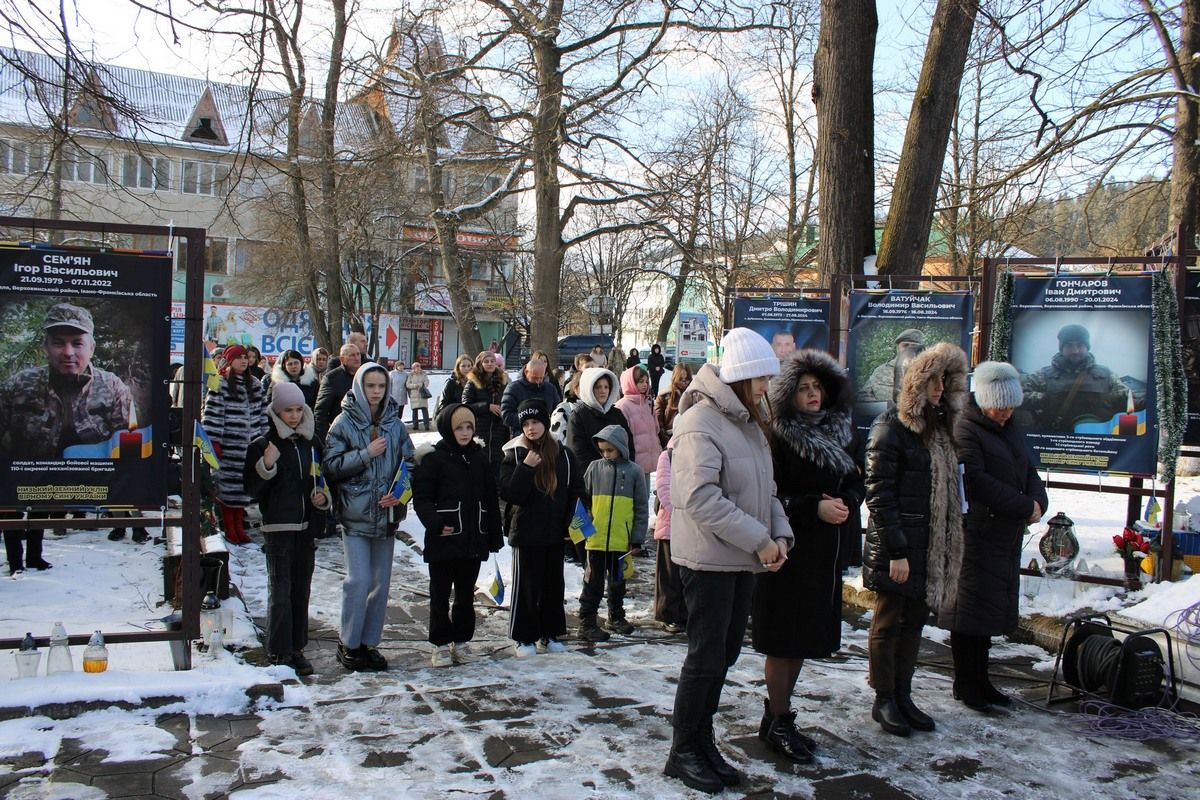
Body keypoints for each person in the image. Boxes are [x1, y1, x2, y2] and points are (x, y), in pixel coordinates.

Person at [664, 328, 792, 794]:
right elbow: (699, 497)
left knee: (725, 654)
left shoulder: (749, 423)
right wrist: (759, 539)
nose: (766, 387)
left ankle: (702, 740)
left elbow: (766, 491)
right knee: (705, 657)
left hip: (741, 559)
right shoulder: (700, 421)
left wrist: (780, 534)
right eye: (761, 378)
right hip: (708, 561)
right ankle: (683, 750)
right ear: (741, 377)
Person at [754, 349, 865, 762]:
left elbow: (857, 479)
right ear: (789, 395)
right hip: (788, 551)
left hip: (825, 554)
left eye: (817, 386)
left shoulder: (843, 431)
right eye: (803, 388)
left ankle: (777, 717)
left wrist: (847, 502)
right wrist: (812, 506)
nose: (812, 393)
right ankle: (779, 719)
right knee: (783, 640)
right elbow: (770, 495)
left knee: (803, 639)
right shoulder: (778, 436)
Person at [863, 341, 967, 737]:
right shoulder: (890, 427)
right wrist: (897, 550)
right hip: (899, 546)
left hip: (929, 545)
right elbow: (879, 493)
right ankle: (884, 698)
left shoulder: (939, 428)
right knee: (889, 622)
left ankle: (903, 694)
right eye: (931, 381)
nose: (939, 388)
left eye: (943, 380)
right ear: (911, 383)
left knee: (913, 623)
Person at [941, 361, 1047, 710]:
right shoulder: (965, 428)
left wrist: (1038, 501)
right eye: (1000, 407)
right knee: (968, 612)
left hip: (1002, 536)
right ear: (984, 400)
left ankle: (981, 680)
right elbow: (975, 480)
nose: (1005, 413)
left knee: (987, 612)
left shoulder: (1010, 428)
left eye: (1010, 407)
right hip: (975, 535)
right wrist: (1023, 505)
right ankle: (966, 683)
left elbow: (1028, 469)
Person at [323, 362, 414, 672]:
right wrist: (365, 454)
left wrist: (400, 493)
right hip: (356, 514)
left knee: (380, 583)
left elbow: (410, 463)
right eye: (370, 386)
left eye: (381, 386)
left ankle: (368, 643)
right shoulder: (343, 422)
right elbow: (331, 466)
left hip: (387, 515)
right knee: (358, 580)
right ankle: (348, 642)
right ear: (360, 387)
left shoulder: (395, 424)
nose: (376, 392)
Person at [243, 381, 330, 677]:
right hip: (278, 527)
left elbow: (321, 477)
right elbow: (252, 490)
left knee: (301, 589)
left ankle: (297, 646)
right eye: (287, 410)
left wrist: (322, 497)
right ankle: (279, 650)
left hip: (306, 527)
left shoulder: (311, 442)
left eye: (298, 410)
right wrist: (266, 466)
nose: (293, 416)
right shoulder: (263, 444)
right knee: (281, 591)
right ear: (276, 411)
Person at [412, 403, 503, 667]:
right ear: (447, 429)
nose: (464, 433)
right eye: (459, 428)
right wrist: (435, 523)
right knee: (440, 594)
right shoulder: (434, 459)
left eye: (469, 427)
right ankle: (440, 643)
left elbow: (490, 498)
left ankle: (461, 641)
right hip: (444, 539)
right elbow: (422, 498)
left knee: (465, 595)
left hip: (472, 539)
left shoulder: (478, 458)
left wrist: (494, 535)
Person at [500, 399, 584, 656]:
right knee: (526, 586)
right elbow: (511, 494)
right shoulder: (514, 454)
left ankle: (550, 633)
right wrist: (526, 467)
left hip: (555, 531)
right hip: (525, 532)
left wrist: (570, 523)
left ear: (546, 423)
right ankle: (523, 637)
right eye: (526, 423)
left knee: (553, 585)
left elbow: (576, 491)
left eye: (535, 422)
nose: (531, 428)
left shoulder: (564, 455)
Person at [0, 302, 132, 459]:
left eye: (77, 343)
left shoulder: (114, 388)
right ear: (46, 347)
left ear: (91, 348)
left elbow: (127, 451)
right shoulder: (19, 385)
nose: (68, 352)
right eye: (59, 343)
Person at [578, 425, 648, 640]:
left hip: (621, 542)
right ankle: (587, 622)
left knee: (618, 582)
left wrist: (636, 539)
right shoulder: (594, 468)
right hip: (596, 541)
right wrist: (581, 531)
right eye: (602, 450)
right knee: (593, 583)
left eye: (610, 450)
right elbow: (582, 501)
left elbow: (641, 508)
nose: (605, 454)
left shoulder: (635, 472)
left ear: (621, 447)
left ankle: (615, 616)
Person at [202, 343, 269, 544]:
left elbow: (262, 414)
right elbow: (212, 415)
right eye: (239, 357)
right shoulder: (220, 384)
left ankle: (239, 526)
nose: (243, 361)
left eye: (245, 357)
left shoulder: (255, 384)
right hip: (229, 446)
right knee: (227, 489)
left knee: (243, 489)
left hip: (250, 447)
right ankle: (230, 527)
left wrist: (264, 440)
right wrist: (214, 442)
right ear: (229, 361)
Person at [1020, 324, 1130, 433]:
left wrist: (1109, 398)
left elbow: (1128, 398)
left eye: (1080, 345)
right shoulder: (1043, 375)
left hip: (1098, 437)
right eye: (1069, 346)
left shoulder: (1106, 375)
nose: (1075, 351)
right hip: (1057, 438)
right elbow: (1018, 396)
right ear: (1062, 348)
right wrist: (1046, 399)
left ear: (1087, 347)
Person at [461, 350, 509, 484]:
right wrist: (487, 406)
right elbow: (466, 405)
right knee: (480, 462)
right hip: (480, 428)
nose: (490, 364)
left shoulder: (503, 381)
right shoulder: (473, 382)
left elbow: (508, 401)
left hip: (499, 428)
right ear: (480, 364)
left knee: (497, 463)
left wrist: (503, 410)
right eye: (486, 361)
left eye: (492, 361)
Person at [652, 442, 685, 633]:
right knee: (669, 575)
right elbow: (664, 490)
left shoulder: (699, 451)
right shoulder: (668, 456)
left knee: (685, 575)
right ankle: (668, 614)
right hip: (670, 527)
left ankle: (684, 613)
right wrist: (682, 515)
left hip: (691, 528)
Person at [500, 351, 562, 438]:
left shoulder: (550, 388)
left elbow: (558, 411)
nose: (538, 381)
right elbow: (506, 416)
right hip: (521, 436)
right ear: (526, 372)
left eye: (541, 378)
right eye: (534, 378)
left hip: (546, 436)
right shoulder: (513, 388)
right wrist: (529, 419)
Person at [857, 329, 927, 403]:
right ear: (897, 347)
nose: (909, 349)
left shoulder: (928, 371)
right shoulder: (881, 371)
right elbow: (862, 396)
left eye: (914, 346)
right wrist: (883, 406)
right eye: (905, 345)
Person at [314, 344, 362, 441]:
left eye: (358, 354)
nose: (357, 358)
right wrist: (326, 440)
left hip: (362, 435)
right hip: (340, 436)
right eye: (352, 355)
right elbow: (320, 413)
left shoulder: (365, 375)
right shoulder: (331, 379)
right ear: (342, 359)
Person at [654, 364, 693, 448]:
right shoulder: (664, 395)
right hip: (670, 438)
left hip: (690, 438)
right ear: (675, 378)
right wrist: (666, 440)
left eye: (687, 379)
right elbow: (658, 421)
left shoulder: (695, 395)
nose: (684, 382)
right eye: (680, 379)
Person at [406, 361, 432, 430]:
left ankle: (426, 426)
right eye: (416, 367)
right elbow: (407, 385)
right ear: (413, 368)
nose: (418, 368)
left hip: (422, 394)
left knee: (424, 410)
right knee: (414, 411)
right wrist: (415, 385)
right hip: (414, 395)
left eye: (419, 366)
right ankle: (415, 426)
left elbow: (427, 382)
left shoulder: (423, 374)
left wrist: (421, 385)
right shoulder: (410, 375)